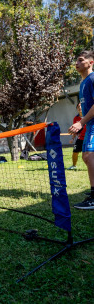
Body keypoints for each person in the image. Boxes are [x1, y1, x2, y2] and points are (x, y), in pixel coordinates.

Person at [68, 50, 94, 209]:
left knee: (89, 157)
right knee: (86, 158)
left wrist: (81, 122)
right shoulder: (84, 83)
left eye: (80, 60)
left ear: (91, 62)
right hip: (89, 124)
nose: (76, 63)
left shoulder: (92, 78)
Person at [67, 102, 86, 170]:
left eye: (81, 106)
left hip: (89, 137)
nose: (80, 108)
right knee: (75, 152)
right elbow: (75, 129)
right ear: (77, 109)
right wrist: (72, 138)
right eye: (78, 107)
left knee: (89, 153)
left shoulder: (88, 115)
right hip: (80, 138)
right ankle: (74, 165)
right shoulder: (76, 118)